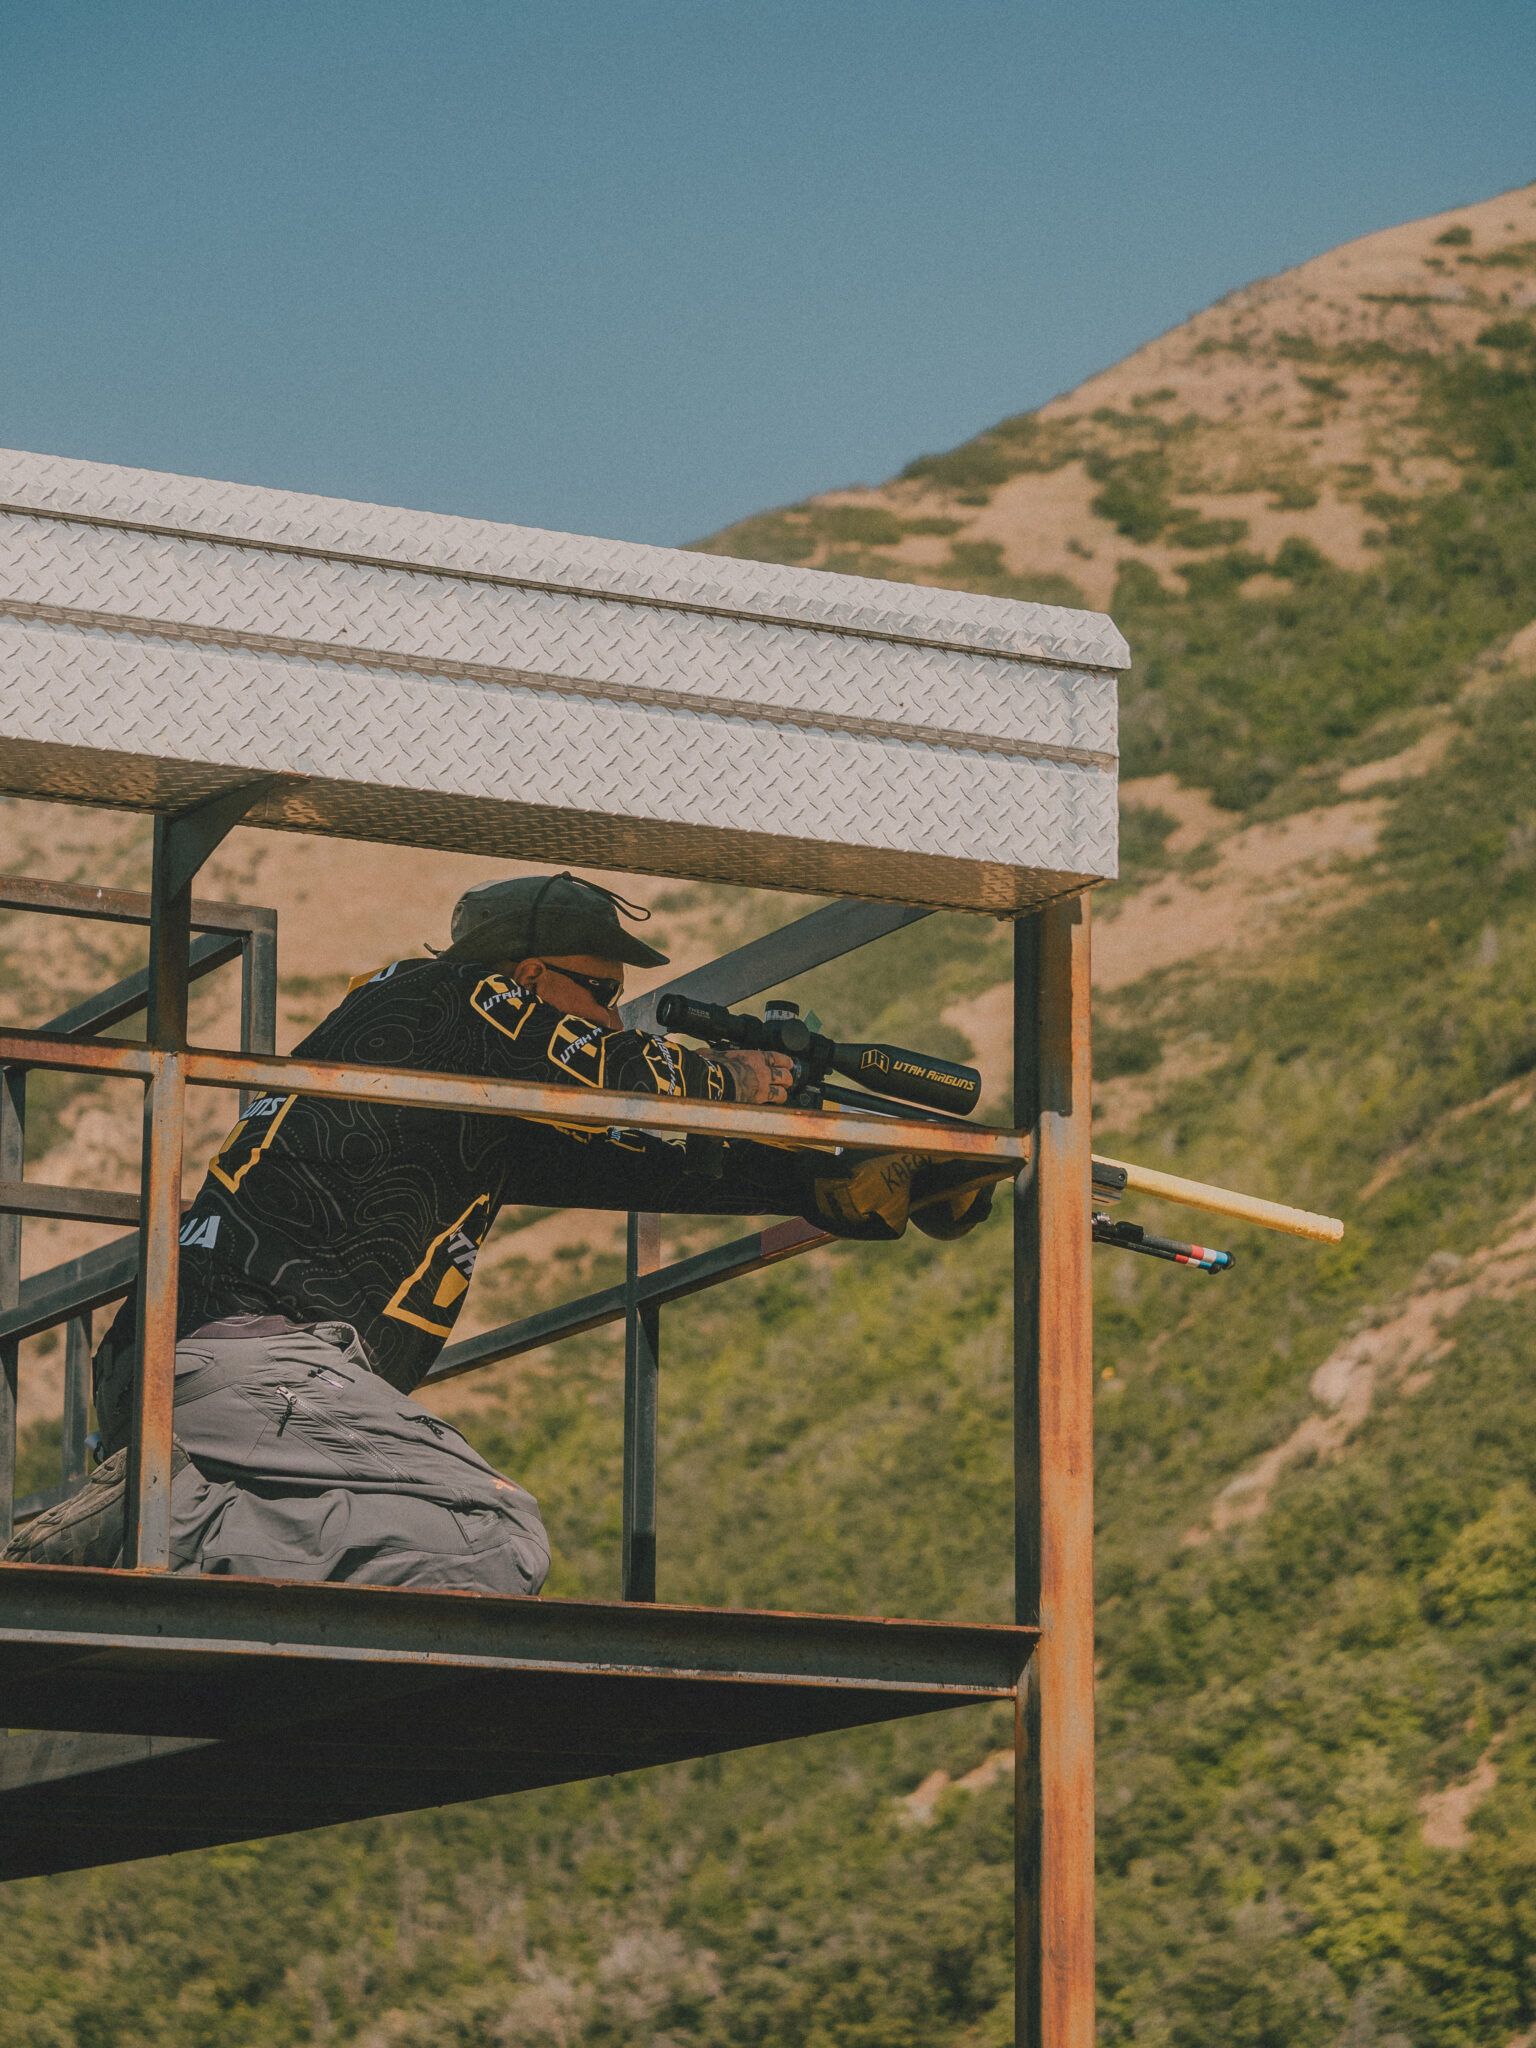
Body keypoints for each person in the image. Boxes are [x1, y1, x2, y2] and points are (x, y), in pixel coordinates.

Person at [9, 872, 1001, 1589]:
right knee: (491, 1536)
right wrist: (729, 1079)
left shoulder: (458, 1096)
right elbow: (612, 1077)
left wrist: (821, 1180)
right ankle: (156, 1526)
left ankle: (163, 1512)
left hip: (211, 1372)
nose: (614, 1018)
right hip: (252, 1358)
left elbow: (630, 1158)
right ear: (529, 974)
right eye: (600, 993)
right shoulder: (446, 996)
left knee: (423, 1543)